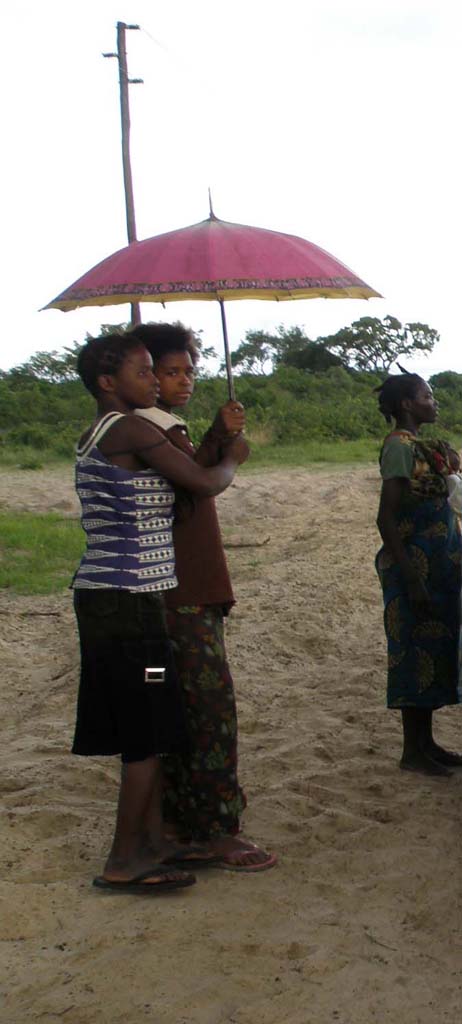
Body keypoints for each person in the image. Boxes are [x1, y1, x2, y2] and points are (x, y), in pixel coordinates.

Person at [72, 331, 249, 893]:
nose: (155, 381)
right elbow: (203, 482)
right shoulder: (129, 428)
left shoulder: (108, 431)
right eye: (145, 372)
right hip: (127, 602)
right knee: (146, 730)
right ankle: (124, 860)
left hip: (121, 597)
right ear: (108, 382)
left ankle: (153, 841)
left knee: (143, 722)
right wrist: (233, 458)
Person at [129, 321, 276, 871]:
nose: (181, 380)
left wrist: (216, 434)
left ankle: (180, 817)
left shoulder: (164, 431)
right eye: (168, 372)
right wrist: (231, 455)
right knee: (208, 709)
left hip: (177, 591)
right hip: (183, 593)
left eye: (188, 370)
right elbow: (198, 486)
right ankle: (214, 829)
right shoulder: (147, 431)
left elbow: (189, 478)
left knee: (177, 706)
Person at [375, 371, 462, 775]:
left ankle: (426, 744)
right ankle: (412, 752)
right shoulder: (399, 448)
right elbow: (386, 516)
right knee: (412, 653)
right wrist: (411, 576)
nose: (434, 401)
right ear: (407, 405)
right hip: (415, 566)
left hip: (437, 565)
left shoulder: (417, 446)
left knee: (432, 649)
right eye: (427, 396)